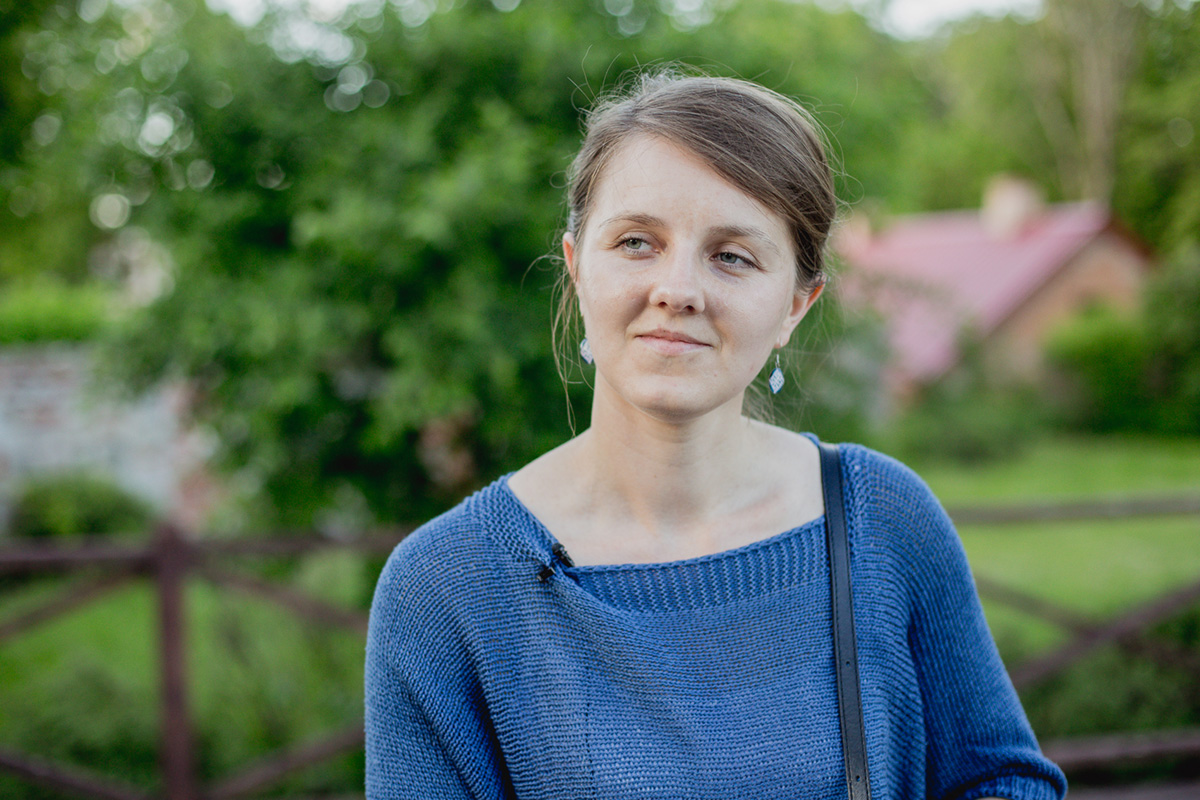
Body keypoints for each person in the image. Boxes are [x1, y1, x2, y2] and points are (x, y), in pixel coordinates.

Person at [365, 70, 1067, 800]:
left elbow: (1004, 781)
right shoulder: (445, 588)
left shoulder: (881, 518)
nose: (678, 290)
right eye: (637, 242)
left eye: (732, 256)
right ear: (576, 269)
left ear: (796, 305)